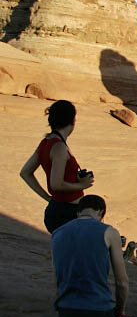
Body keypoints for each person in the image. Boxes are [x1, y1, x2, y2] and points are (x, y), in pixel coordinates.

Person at [19, 100, 94, 233]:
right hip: (68, 213)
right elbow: (56, 184)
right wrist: (82, 185)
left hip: (56, 209)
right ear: (72, 121)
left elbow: (25, 173)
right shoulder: (58, 146)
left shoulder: (45, 142)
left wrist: (49, 198)